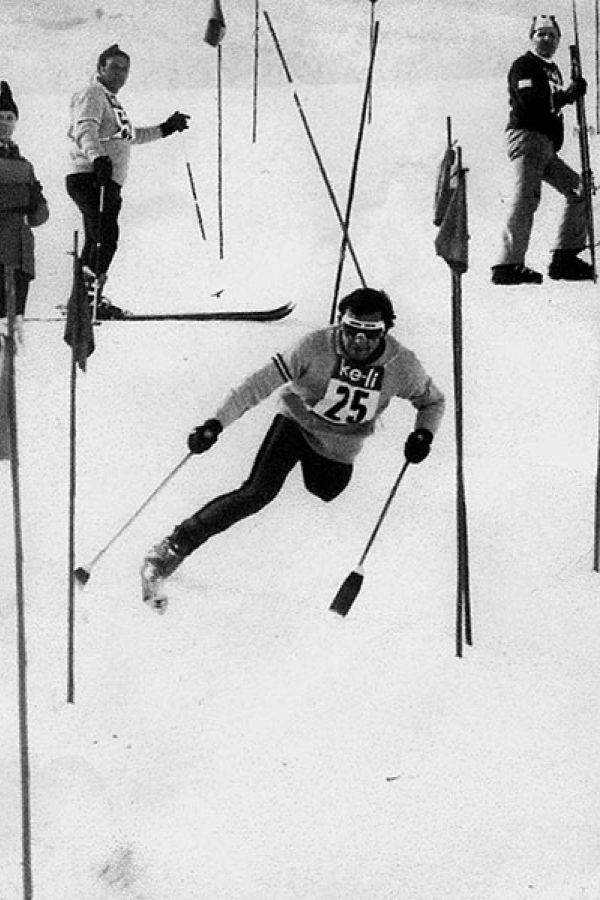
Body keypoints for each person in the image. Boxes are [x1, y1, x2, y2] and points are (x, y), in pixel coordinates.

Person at [140, 287, 446, 612]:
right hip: (296, 424)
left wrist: (423, 435)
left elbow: (433, 400)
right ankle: (171, 549)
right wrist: (215, 424)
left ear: (385, 332)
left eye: (370, 334)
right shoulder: (315, 346)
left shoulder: (401, 365)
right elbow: (258, 384)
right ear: (340, 324)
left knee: (326, 490)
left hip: (340, 445)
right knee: (257, 492)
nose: (358, 341)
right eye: (351, 330)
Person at [66, 43, 190, 318]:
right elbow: (85, 129)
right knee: (104, 237)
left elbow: (130, 137)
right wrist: (97, 157)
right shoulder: (93, 94)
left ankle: (84, 300)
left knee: (98, 237)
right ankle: (88, 301)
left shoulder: (111, 101)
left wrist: (165, 128)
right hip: (91, 175)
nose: (121, 74)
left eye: (125, 69)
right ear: (100, 68)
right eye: (115, 67)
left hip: (105, 179)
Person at [491, 14, 591, 286]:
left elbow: (552, 103)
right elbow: (529, 100)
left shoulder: (552, 70)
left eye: (551, 35)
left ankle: (565, 257)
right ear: (532, 37)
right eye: (541, 33)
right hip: (528, 137)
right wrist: (566, 97)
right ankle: (507, 264)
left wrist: (566, 97)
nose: (546, 38)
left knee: (579, 188)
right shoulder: (525, 65)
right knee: (526, 198)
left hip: (546, 145)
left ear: (558, 40)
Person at [0, 80, 49, 345]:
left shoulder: (25, 165)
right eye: (0, 117)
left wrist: (35, 200)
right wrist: (19, 196)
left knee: (14, 327)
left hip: (20, 254)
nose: (5, 123)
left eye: (10, 117)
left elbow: (39, 216)